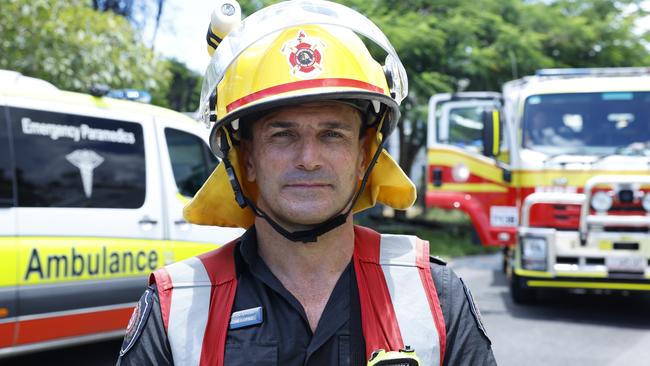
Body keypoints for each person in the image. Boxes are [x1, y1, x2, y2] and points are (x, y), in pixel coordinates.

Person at [116, 1, 496, 365]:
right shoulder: (176, 306)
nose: (309, 159)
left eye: (332, 135)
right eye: (282, 135)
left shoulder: (436, 294)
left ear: (365, 155)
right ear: (245, 159)